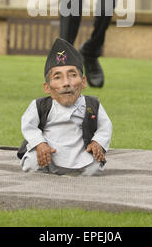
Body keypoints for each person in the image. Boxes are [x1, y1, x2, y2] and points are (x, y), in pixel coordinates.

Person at [19, 38, 112, 176]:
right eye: (57, 77)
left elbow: (105, 126)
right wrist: (40, 144)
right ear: (47, 88)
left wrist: (97, 142)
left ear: (83, 81)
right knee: (32, 162)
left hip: (80, 153)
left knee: (95, 165)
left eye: (72, 75)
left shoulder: (92, 105)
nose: (66, 83)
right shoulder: (41, 106)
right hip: (49, 154)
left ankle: (80, 172)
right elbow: (28, 126)